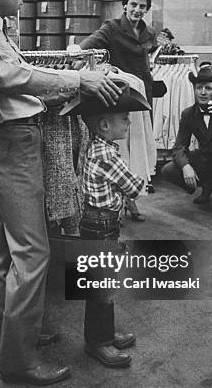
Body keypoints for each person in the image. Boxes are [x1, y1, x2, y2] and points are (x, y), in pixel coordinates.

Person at [0, 0, 122, 386]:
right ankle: (18, 361)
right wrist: (75, 80)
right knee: (33, 252)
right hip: (11, 146)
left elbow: (18, 71)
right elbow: (10, 77)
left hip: (11, 143)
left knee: (5, 250)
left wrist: (59, 88)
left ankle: (7, 332)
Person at [60, 82, 149, 367]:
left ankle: (105, 334)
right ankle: (98, 343)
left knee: (103, 284)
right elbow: (133, 187)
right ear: (104, 125)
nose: (129, 122)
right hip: (101, 226)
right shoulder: (107, 155)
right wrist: (141, 182)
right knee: (101, 287)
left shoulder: (99, 146)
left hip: (98, 222)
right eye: (124, 119)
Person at [73, 0, 157, 221]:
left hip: (142, 92)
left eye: (142, 6)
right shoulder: (111, 28)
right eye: (133, 4)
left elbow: (149, 55)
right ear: (124, 5)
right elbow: (85, 47)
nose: (137, 10)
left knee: (137, 144)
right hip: (121, 95)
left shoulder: (149, 32)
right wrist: (73, 57)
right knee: (121, 147)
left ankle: (129, 201)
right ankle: (123, 203)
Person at [161, 65, 212, 223]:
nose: (203, 92)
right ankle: (207, 184)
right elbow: (179, 146)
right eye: (199, 88)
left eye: (208, 88)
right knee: (168, 170)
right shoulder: (188, 114)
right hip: (205, 157)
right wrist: (186, 167)